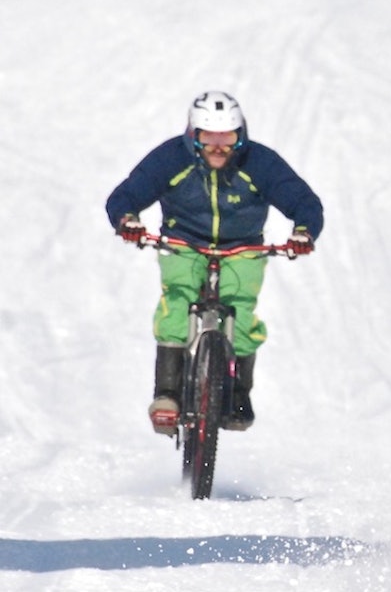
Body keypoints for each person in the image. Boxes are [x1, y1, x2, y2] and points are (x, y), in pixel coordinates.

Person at [106, 91, 323, 435]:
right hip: (184, 243)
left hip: (242, 248)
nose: (218, 147)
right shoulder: (171, 159)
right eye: (208, 138)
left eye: (228, 138)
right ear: (193, 135)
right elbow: (128, 194)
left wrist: (304, 231)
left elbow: (301, 199)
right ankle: (167, 395)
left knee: (242, 313)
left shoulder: (259, 163)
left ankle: (237, 394)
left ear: (242, 135)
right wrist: (127, 220)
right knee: (176, 302)